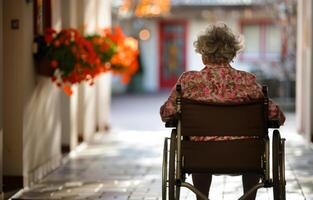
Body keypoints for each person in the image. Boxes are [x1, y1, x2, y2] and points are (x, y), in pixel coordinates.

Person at [160, 24, 285, 200]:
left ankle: (201, 197)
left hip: (200, 156)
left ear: (204, 55)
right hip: (245, 156)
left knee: (197, 143)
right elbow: (275, 115)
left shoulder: (188, 81)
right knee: (256, 144)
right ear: (232, 54)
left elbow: (167, 113)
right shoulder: (247, 81)